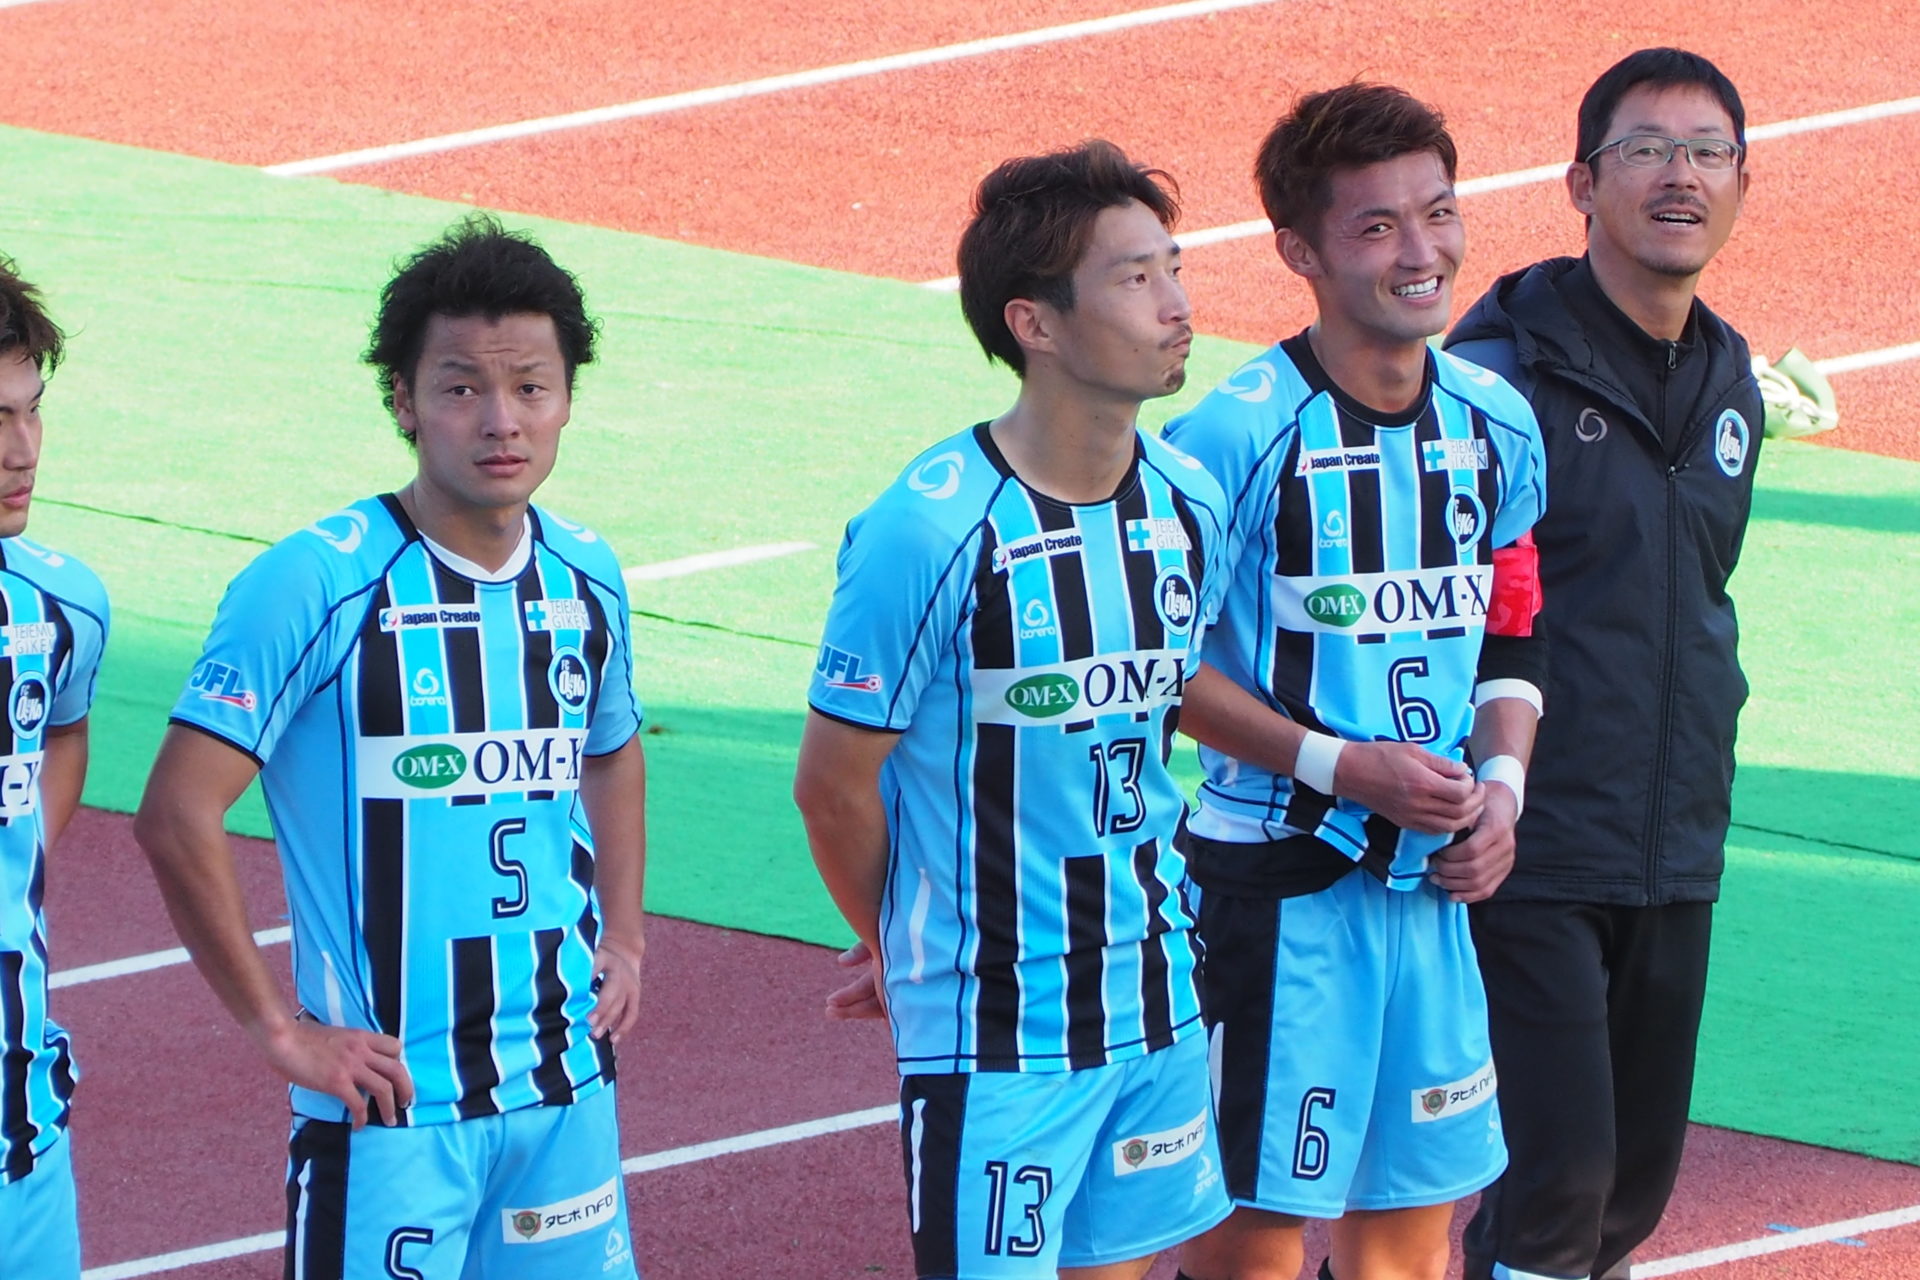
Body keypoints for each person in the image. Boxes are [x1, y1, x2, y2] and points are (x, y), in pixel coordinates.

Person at [133, 215, 646, 1280]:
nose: (501, 419)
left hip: (565, 1093)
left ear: (567, 397)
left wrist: (629, 936)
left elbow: (611, 748)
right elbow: (177, 811)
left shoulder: (588, 577)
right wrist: (280, 1029)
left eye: (532, 386)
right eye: (461, 387)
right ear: (403, 399)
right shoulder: (315, 581)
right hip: (390, 1111)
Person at [793, 140, 1234, 1280]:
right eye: (1134, 278)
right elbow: (832, 786)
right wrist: (902, 940)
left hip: (1156, 995)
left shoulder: (1190, 501)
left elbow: (1162, 707)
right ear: (1034, 323)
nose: (1177, 305)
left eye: (1174, 267)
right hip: (995, 1028)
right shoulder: (928, 528)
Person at [1160, 84, 1549, 1280]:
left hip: (1432, 891)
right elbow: (1158, 672)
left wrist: (1502, 790)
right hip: (1278, 892)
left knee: (1412, 1239)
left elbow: (1514, 631)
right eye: (1377, 226)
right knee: (1256, 1234)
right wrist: (1341, 767)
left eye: (1439, 212)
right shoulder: (1233, 439)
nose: (1422, 252)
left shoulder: (1498, 423)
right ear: (1300, 251)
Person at [1445, 48, 1760, 1280]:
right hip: (1532, 837)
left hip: (1674, 837)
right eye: (1646, 150)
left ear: (1742, 183)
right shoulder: (1498, 380)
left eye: (1708, 152)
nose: (1681, 175)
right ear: (1581, 184)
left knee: (1627, 1188)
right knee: (1558, 1179)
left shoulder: (1728, 376)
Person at [0, 259, 108, 1280]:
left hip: (22, 1132)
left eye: (32, 411)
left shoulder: (61, 606)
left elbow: (64, 734)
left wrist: (24, 839)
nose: (22, 450)